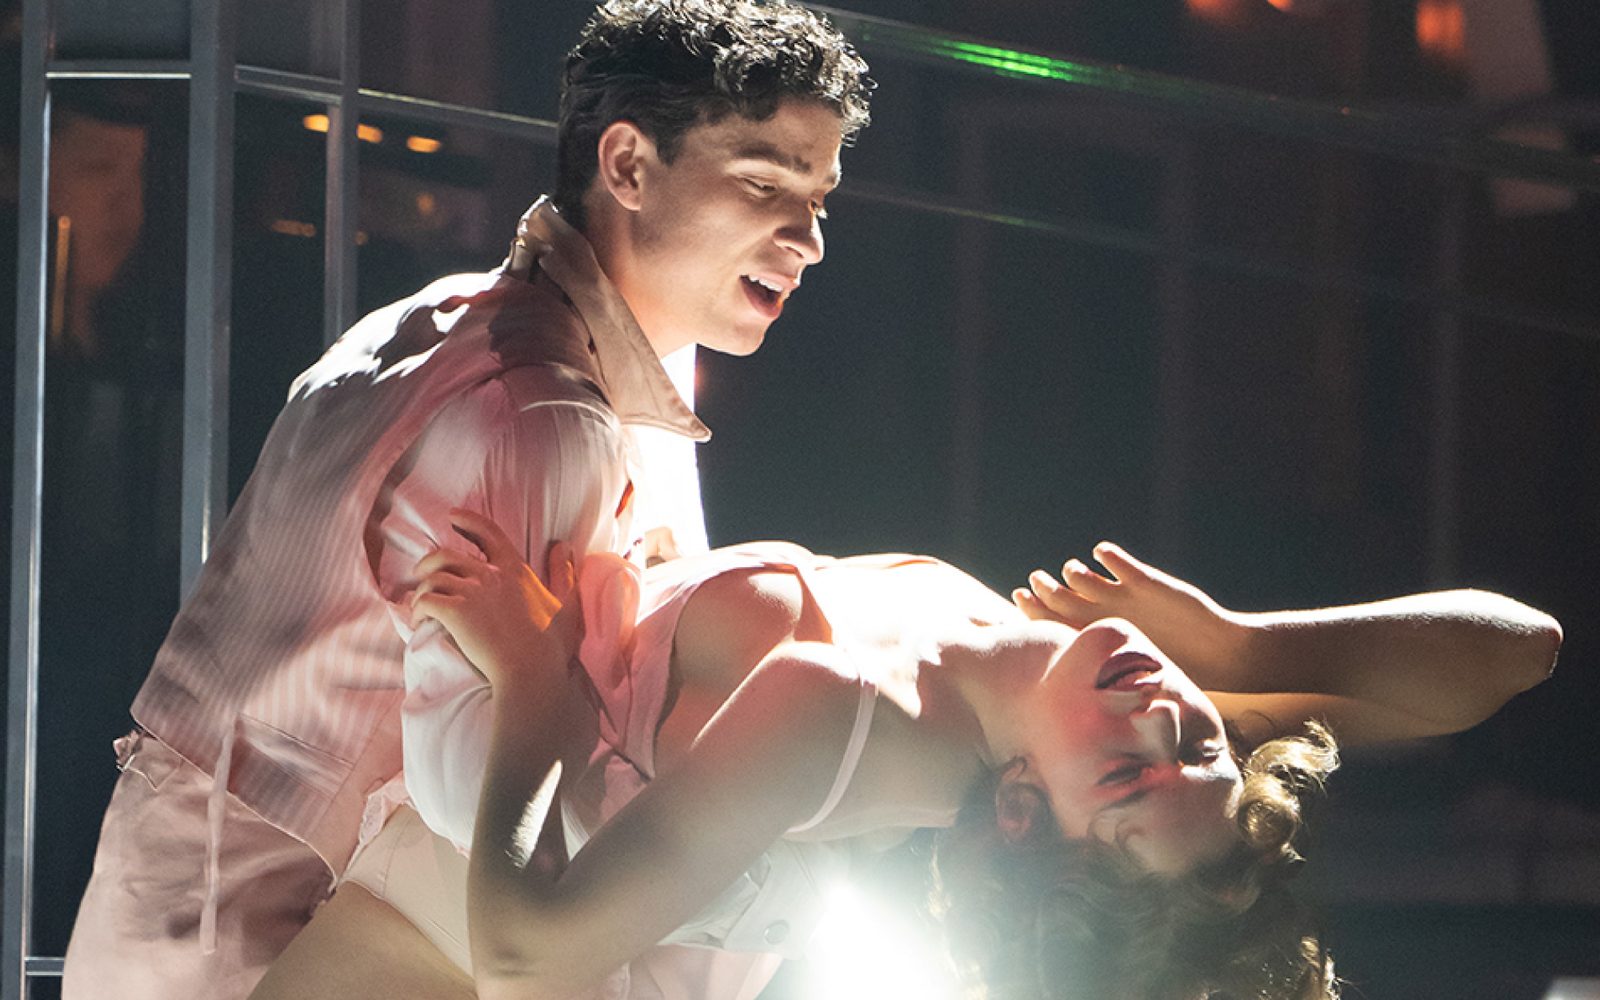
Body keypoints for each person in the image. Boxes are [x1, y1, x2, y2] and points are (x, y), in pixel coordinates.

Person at [60, 4, 872, 999]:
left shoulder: (455, 316)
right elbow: (493, 810)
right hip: (271, 929)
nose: (809, 239)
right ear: (626, 164)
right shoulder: (538, 408)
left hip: (206, 890)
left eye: (819, 198)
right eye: (763, 184)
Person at [248, 513, 1560, 1000]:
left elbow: (528, 963)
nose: (1165, 713)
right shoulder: (1094, 701)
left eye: (1134, 774)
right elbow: (1517, 652)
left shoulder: (846, 711)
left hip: (478, 884)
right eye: (1204, 736)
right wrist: (1235, 635)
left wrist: (532, 680)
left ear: (1019, 818)